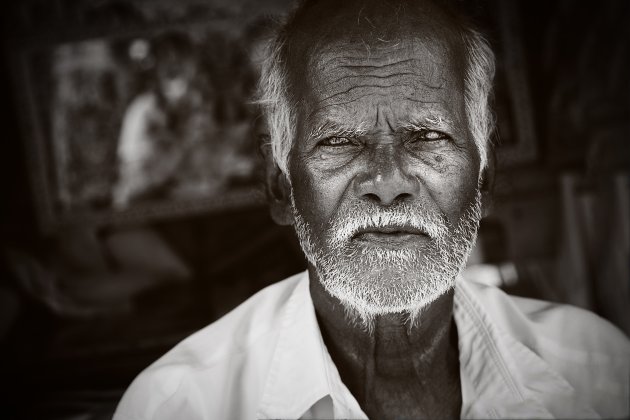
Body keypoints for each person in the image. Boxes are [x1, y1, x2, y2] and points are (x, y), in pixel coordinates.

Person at [113, 0, 630, 418]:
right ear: (279, 185)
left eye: (427, 136)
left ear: (485, 177)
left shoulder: (599, 374)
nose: (387, 183)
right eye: (338, 142)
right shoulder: (180, 405)